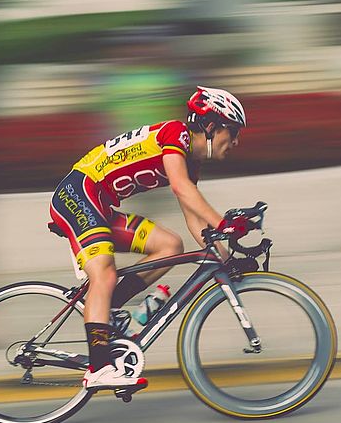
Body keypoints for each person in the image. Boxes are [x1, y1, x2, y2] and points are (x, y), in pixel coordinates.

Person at [48, 86, 248, 390]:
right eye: (232, 132)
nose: (235, 141)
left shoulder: (191, 161)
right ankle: (99, 368)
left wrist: (224, 257)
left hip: (99, 206)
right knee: (104, 272)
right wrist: (224, 222)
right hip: (79, 193)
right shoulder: (175, 134)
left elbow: (194, 218)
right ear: (210, 126)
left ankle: (107, 308)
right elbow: (182, 189)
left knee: (170, 245)